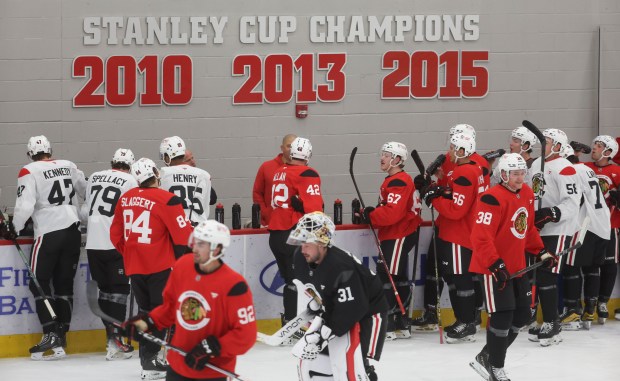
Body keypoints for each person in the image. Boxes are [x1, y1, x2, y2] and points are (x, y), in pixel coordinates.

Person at [121, 220, 257, 381]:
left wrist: (212, 348)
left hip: (211, 372)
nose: (194, 248)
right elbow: (171, 308)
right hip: (178, 365)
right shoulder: (183, 266)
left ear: (217, 249)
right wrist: (146, 323)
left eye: (201, 244)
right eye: (195, 242)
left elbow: (245, 335)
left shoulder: (234, 285)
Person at [469, 153, 554, 381]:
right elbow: (480, 237)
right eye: (515, 174)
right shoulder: (490, 198)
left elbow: (525, 227)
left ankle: (488, 355)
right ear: (504, 174)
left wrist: (541, 250)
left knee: (523, 315)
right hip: (493, 269)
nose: (520, 178)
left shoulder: (526, 193)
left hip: (517, 267)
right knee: (503, 317)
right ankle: (496, 366)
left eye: (522, 173)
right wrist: (495, 264)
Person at [1, 135, 86, 360]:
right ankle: (61, 336)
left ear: (30, 153)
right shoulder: (69, 166)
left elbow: (25, 205)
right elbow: (86, 191)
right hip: (73, 231)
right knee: (64, 286)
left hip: (49, 232)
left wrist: (15, 228)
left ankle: (50, 333)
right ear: (50, 149)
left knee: (37, 282)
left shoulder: (29, 171)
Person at [110, 157, 193, 380]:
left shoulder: (125, 198)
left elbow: (115, 234)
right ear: (156, 173)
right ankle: (154, 359)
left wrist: (130, 253)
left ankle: (148, 360)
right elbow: (184, 237)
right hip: (161, 267)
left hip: (134, 266)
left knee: (147, 312)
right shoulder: (167, 199)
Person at [288, 212, 388, 381]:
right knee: (325, 360)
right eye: (301, 242)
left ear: (322, 243)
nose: (302, 248)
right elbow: (315, 287)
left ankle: (366, 371)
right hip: (344, 308)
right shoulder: (301, 257)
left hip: (369, 312)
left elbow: (354, 308)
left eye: (307, 243)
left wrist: (325, 333)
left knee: (357, 364)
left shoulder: (342, 267)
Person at [412, 124, 487, 331]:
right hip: (463, 232)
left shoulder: (464, 172)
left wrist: (432, 199)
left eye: (454, 147)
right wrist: (436, 190)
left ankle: (466, 322)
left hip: (458, 233)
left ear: (463, 150)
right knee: (456, 277)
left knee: (460, 278)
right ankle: (466, 320)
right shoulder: (471, 170)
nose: (450, 152)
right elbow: (456, 196)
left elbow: (456, 210)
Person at [81, 148, 138, 360]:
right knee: (120, 291)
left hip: (93, 243)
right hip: (115, 243)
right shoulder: (130, 181)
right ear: (130, 165)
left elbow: (86, 209)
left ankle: (111, 338)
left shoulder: (95, 176)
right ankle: (116, 339)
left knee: (105, 291)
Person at [361, 142, 421, 340]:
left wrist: (372, 216)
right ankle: (401, 321)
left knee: (387, 277)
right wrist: (371, 213)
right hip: (395, 234)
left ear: (397, 159)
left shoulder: (399, 181)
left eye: (387, 155)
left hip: (398, 234)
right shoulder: (393, 180)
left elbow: (392, 214)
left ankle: (389, 323)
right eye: (383, 154)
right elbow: (387, 208)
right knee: (397, 276)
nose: (382, 158)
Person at [528, 128, 580, 346]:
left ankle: (552, 323)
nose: (543, 144)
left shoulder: (566, 168)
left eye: (547, 141)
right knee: (539, 277)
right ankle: (546, 320)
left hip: (558, 229)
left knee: (548, 275)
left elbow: (572, 203)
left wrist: (551, 213)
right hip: (536, 229)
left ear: (558, 146)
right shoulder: (535, 164)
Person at [268, 137, 323, 329]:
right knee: (305, 280)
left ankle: (289, 321)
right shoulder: (308, 172)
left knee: (291, 281)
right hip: (294, 234)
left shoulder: (278, 172)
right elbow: (315, 210)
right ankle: (300, 323)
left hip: (275, 235)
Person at [558, 145, 610, 330]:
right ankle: (590, 310)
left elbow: (574, 200)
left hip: (586, 224)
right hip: (603, 223)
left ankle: (572, 311)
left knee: (571, 266)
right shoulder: (587, 169)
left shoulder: (570, 171)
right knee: (592, 268)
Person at [583, 135, 620, 323]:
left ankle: (603, 301)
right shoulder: (586, 168)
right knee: (590, 264)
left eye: (599, 146)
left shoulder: (616, 171)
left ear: (608, 151)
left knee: (609, 264)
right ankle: (590, 302)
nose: (594, 148)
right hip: (588, 226)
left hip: (609, 225)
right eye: (594, 144)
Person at [159, 137, 214, 225]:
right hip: (199, 227)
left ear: (167, 156)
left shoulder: (162, 174)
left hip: (175, 226)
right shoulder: (204, 175)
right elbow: (208, 202)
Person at [253, 134, 297, 226]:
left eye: (294, 146)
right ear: (282, 148)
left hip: (295, 223)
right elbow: (257, 193)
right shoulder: (266, 167)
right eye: (289, 146)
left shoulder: (302, 169)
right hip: (271, 223)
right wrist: (265, 213)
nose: (291, 149)